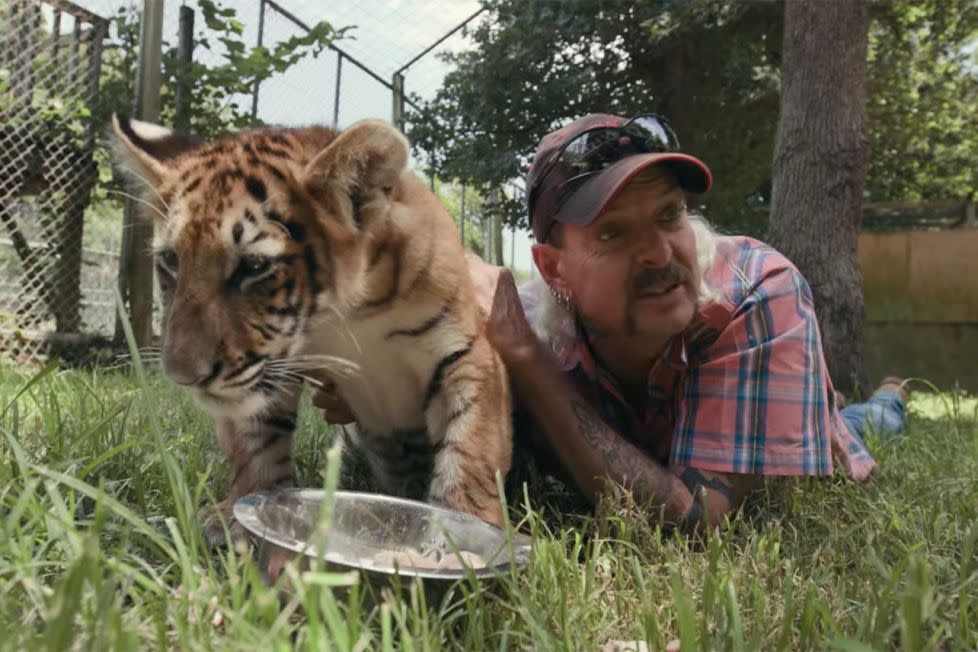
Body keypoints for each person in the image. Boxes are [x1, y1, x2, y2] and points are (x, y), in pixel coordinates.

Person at [317, 112, 908, 533]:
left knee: (869, 420)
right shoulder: (522, 317)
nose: (658, 254)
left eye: (669, 214)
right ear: (554, 269)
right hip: (645, 429)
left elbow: (698, 519)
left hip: (804, 430)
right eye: (612, 232)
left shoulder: (759, 292)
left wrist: (526, 360)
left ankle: (887, 397)